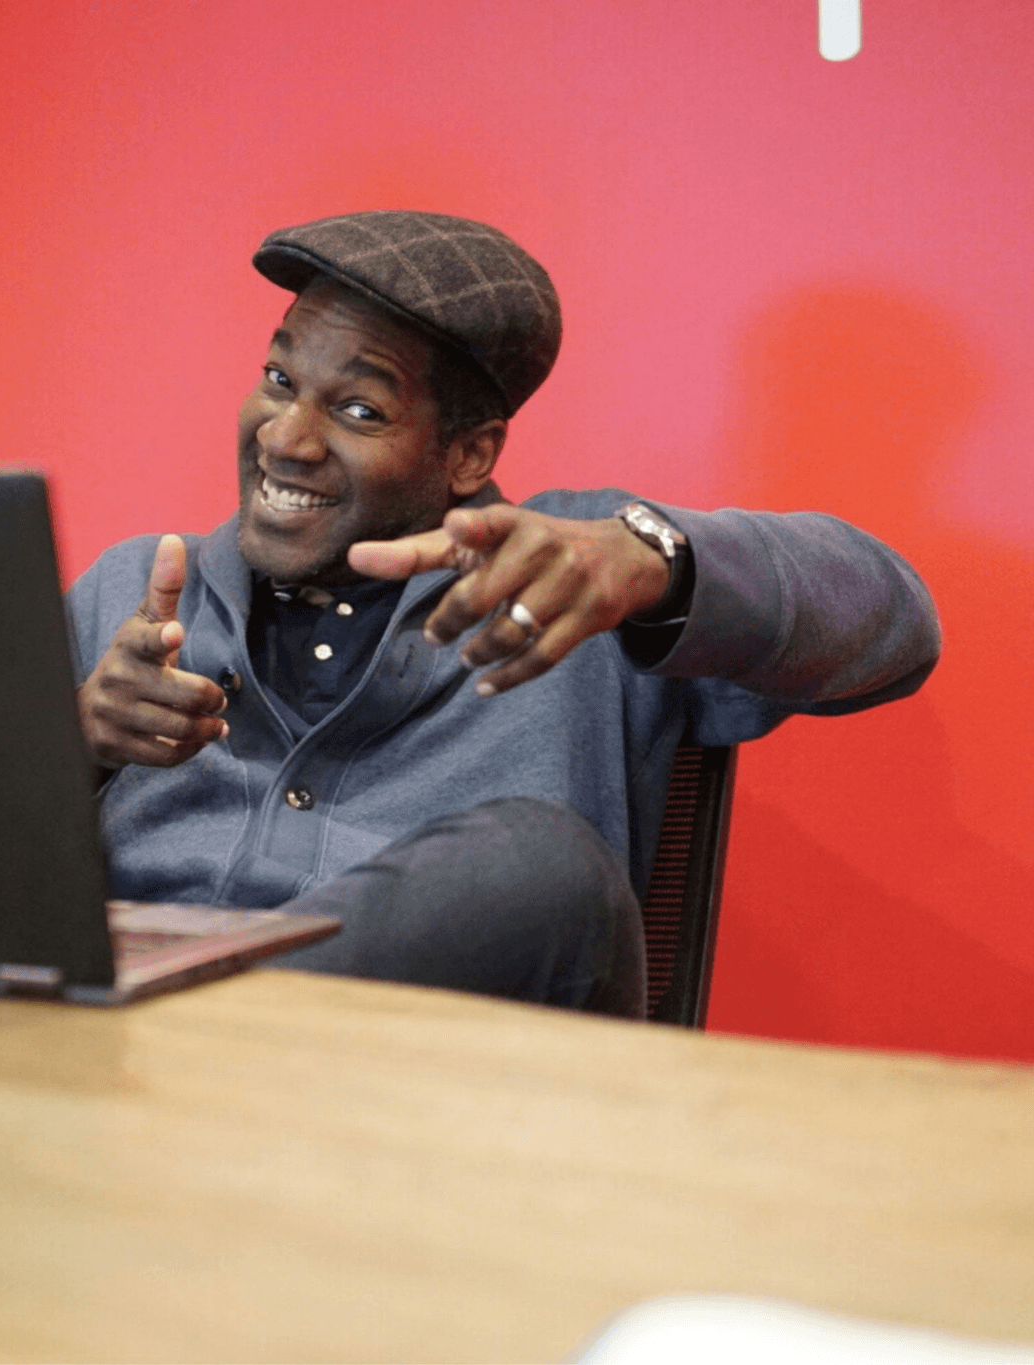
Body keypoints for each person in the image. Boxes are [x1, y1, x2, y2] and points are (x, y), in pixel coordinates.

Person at [68, 211, 939, 1015]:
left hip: (438, 1107)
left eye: (359, 409)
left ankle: (210, 1043)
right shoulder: (135, 589)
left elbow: (895, 622)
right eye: (278, 378)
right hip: (96, 1073)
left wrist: (651, 560)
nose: (285, 437)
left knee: (541, 865)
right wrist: (77, 742)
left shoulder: (575, 582)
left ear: (469, 454)